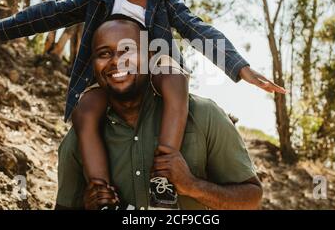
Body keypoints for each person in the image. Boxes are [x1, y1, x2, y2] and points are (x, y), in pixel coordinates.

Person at [0, 0, 284, 209]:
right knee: (86, 108)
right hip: (115, 77)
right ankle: (101, 189)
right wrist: (4, 28)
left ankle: (163, 174)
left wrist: (241, 69)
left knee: (174, 77)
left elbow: (199, 31)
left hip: (157, 70)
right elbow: (52, 12)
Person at [57, 16, 262, 210]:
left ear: (149, 57)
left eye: (128, 50)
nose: (117, 61)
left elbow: (251, 199)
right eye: (104, 53)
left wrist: (192, 185)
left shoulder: (203, 115)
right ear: (93, 65)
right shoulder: (82, 136)